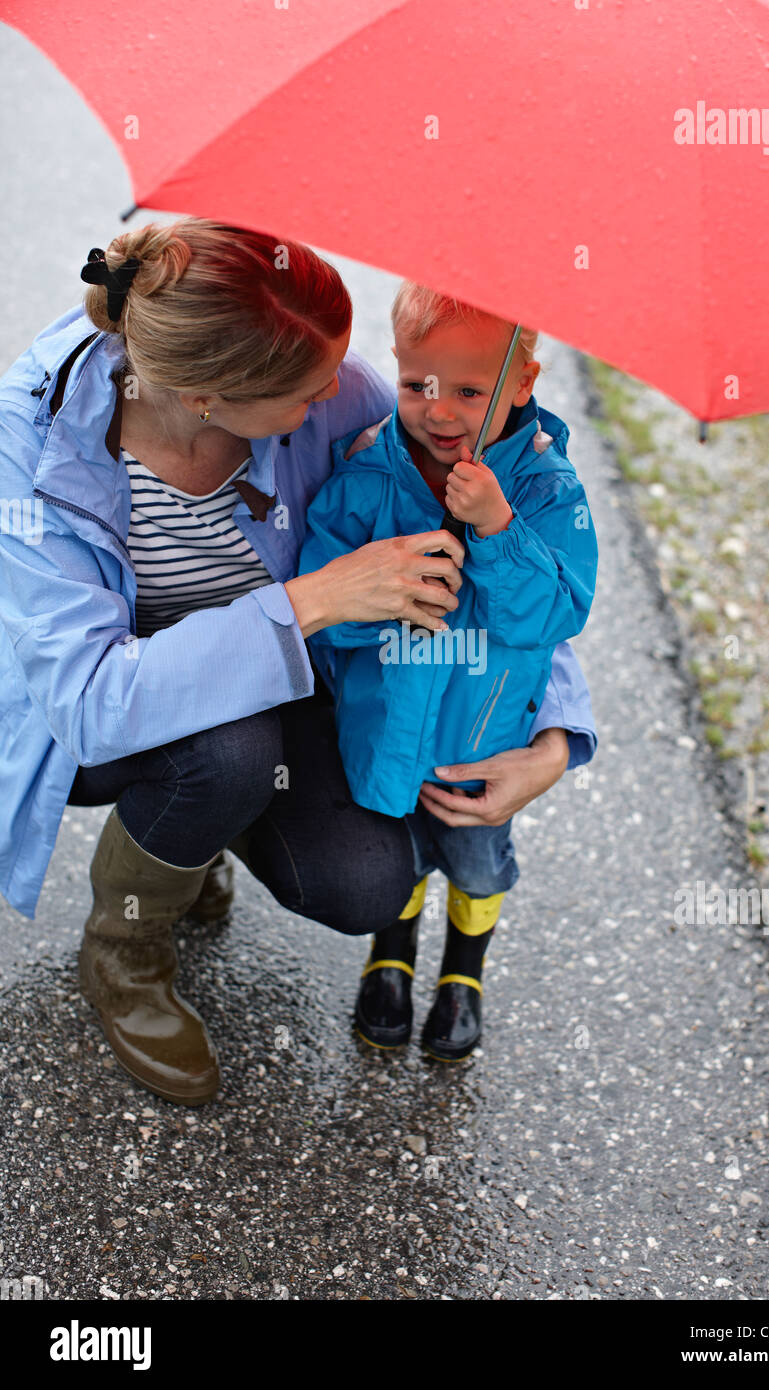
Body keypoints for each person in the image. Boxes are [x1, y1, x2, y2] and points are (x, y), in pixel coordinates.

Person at [0, 217, 596, 1105]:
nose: (345, 396)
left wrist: (556, 735)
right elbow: (91, 702)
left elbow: (502, 594)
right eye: (310, 392)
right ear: (208, 398)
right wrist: (313, 600)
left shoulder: (338, 395)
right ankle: (125, 952)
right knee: (224, 751)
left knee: (367, 882)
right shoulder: (36, 446)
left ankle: (195, 836)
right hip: (96, 711)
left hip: (281, 682)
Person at [298, 283, 598, 1061]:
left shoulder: (543, 489)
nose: (439, 411)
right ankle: (390, 958)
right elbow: (324, 605)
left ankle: (464, 972)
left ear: (522, 383)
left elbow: (555, 613)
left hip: (481, 739)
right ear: (396, 367)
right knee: (393, 850)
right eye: (417, 385)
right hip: (384, 727)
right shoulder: (367, 474)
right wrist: (381, 601)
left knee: (472, 861)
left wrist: (497, 530)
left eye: (470, 390)